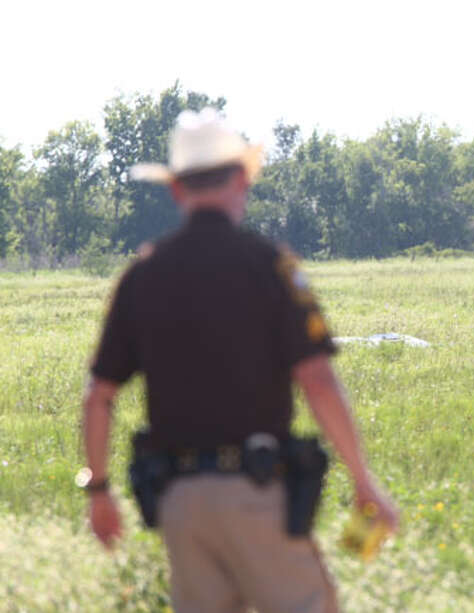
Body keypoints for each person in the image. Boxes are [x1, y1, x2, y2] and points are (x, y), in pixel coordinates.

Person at [79, 108, 398, 613]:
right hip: (256, 494)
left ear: (177, 191)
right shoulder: (270, 265)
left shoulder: (141, 276)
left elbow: (99, 396)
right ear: (243, 179)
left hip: (179, 505)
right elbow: (316, 379)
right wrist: (364, 481)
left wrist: (98, 491)